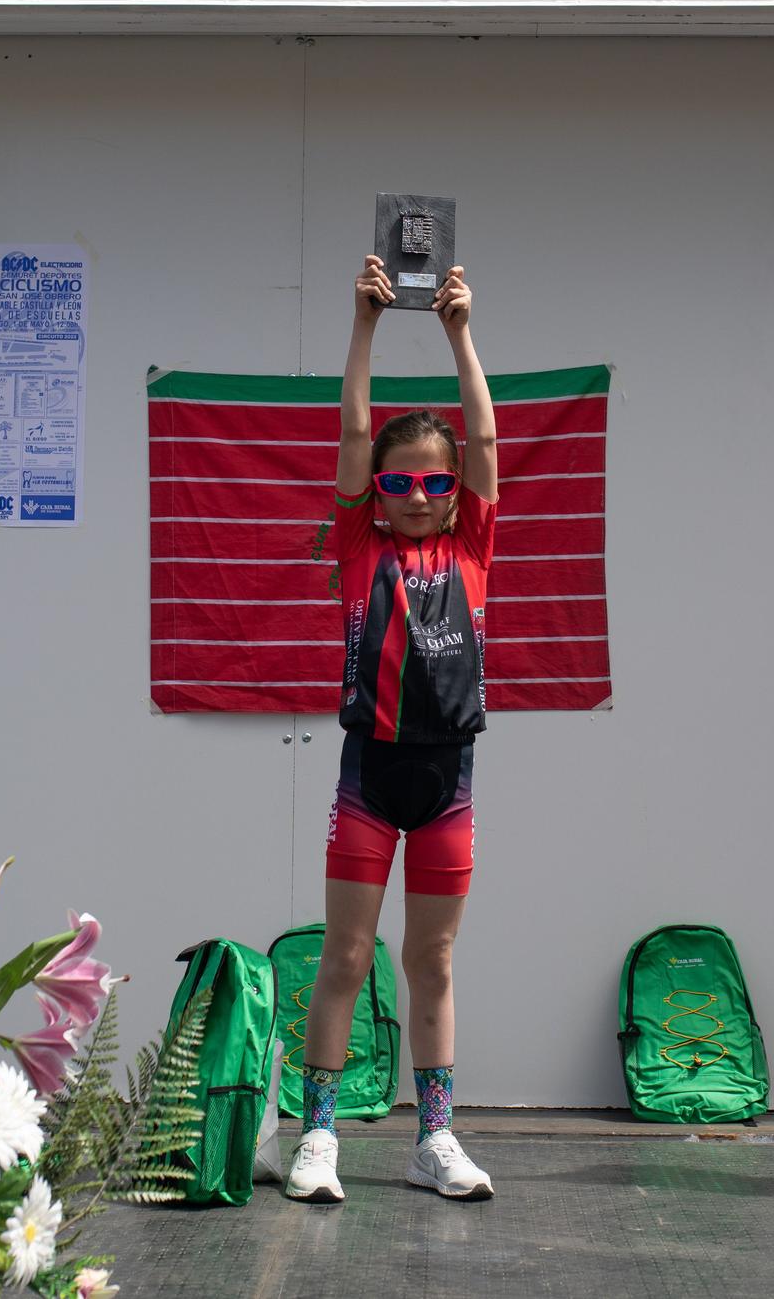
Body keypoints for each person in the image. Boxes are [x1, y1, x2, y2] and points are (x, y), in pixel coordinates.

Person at [285, 257, 498, 1204]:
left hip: (447, 778)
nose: (417, 492)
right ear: (377, 490)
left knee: (434, 960)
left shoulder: (473, 543)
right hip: (368, 774)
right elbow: (354, 428)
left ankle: (435, 1138)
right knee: (347, 956)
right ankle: (318, 1136)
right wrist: (366, 323)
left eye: (434, 480)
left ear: (455, 489)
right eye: (400, 480)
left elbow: (486, 434)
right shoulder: (362, 540)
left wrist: (459, 329)